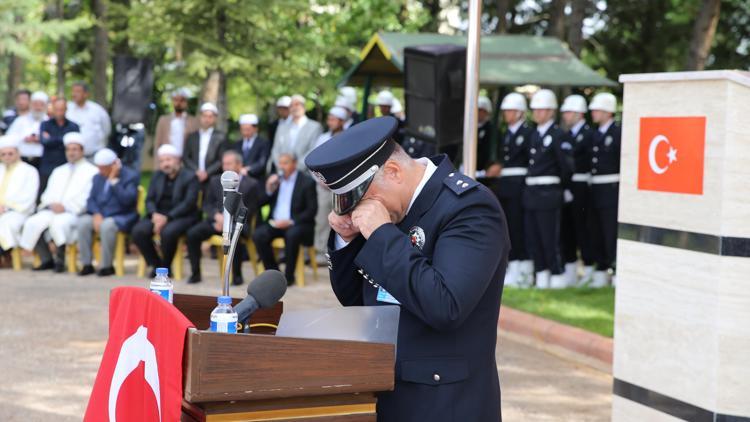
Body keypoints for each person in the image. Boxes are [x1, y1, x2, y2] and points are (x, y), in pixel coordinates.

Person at [306, 116, 508, 421]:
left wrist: (383, 234)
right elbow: (358, 301)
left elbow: (445, 304)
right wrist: (346, 241)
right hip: (384, 392)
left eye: (364, 198)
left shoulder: (469, 207)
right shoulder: (390, 209)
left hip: (443, 403)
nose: (361, 210)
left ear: (394, 171)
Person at [20, 132, 98, 272]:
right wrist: (50, 204)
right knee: (33, 222)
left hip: (73, 212)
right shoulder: (58, 171)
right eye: (68, 149)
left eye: (75, 149)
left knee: (60, 223)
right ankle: (47, 259)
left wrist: (66, 207)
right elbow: (48, 193)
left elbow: (88, 196)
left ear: (82, 151)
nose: (71, 153)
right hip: (52, 209)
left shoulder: (92, 171)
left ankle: (60, 261)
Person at [185, 150, 259, 285]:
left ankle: (237, 275)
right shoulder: (215, 181)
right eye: (224, 164)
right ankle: (195, 273)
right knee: (192, 234)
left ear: (239, 165)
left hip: (239, 223)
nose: (226, 167)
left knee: (232, 234)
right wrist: (216, 216)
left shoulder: (251, 184)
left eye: (229, 164)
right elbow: (207, 204)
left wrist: (228, 219)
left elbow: (251, 210)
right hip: (217, 221)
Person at [524, 89, 573, 289]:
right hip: (532, 193)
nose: (537, 113)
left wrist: (560, 188)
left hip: (549, 192)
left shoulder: (558, 134)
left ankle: (556, 274)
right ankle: (542, 275)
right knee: (534, 237)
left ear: (551, 111)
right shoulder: (534, 134)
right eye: (535, 109)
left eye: (542, 109)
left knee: (549, 238)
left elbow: (567, 167)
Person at [132, 144, 199, 277]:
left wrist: (167, 217)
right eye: (162, 161)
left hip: (181, 216)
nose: (165, 164)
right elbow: (149, 199)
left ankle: (166, 266)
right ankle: (158, 267)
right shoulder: (157, 176)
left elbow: (189, 203)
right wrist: (154, 215)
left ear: (177, 160)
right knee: (138, 231)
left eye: (168, 160)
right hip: (157, 215)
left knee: (168, 233)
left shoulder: (190, 177)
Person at [253, 152, 317, 286]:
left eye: (285, 163)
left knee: (292, 234)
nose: (281, 166)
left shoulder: (307, 182)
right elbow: (259, 203)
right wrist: (269, 189)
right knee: (258, 235)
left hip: (297, 223)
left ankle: (289, 276)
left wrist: (291, 221)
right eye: (279, 163)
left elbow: (312, 210)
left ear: (294, 164)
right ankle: (274, 274)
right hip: (275, 223)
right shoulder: (275, 180)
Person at [76, 148, 139, 277]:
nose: (100, 171)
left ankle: (106, 266)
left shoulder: (130, 176)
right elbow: (91, 200)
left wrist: (113, 181)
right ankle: (87, 264)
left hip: (121, 215)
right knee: (83, 223)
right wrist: (97, 214)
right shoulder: (97, 177)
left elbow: (128, 201)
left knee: (107, 225)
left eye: (103, 168)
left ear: (114, 165)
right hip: (100, 214)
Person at [494, 92, 535, 286]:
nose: (506, 114)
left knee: (520, 227)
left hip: (520, 186)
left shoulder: (528, 133)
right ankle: (514, 265)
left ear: (520, 113)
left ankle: (523, 270)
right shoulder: (507, 134)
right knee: (509, 227)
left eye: (510, 111)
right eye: (505, 111)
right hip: (507, 186)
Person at [559, 94, 597, 285]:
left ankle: (589, 268)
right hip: (568, 186)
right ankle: (571, 269)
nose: (566, 116)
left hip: (583, 186)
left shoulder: (589, 135)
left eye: (569, 112)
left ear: (579, 113)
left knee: (584, 229)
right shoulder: (566, 135)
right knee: (568, 229)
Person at [588, 92, 621, 287]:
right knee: (597, 232)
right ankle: (601, 270)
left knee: (610, 232)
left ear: (608, 112)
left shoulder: (617, 132)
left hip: (611, 188)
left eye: (597, 109)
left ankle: (615, 270)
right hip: (596, 189)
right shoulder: (596, 134)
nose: (593, 113)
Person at [311, 106, 347, 263]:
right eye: (329, 119)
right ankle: (320, 252)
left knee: (342, 218)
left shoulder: (348, 138)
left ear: (341, 121)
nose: (330, 122)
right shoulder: (322, 138)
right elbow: (312, 161)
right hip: (323, 187)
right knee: (322, 219)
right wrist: (320, 180)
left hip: (342, 187)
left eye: (333, 119)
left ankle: (340, 252)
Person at [0, 136, 40, 256]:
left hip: (18, 212)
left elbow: (29, 197)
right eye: (3, 154)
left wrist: (6, 208)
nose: (7, 157)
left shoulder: (29, 171)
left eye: (10, 153)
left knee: (7, 225)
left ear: (18, 153)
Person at [269, 95, 322, 173]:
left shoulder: (315, 127)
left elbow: (313, 150)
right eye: (291, 105)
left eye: (297, 104)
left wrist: (295, 168)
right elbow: (275, 150)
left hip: (304, 174)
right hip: (283, 173)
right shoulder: (282, 127)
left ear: (304, 107)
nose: (294, 108)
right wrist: (282, 167)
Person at [39, 98, 80, 193]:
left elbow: (75, 144)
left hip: (66, 164)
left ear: (66, 109)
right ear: (53, 109)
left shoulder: (73, 126)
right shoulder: (45, 124)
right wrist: (64, 139)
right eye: (56, 109)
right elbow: (45, 142)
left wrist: (51, 139)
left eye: (61, 109)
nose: (59, 112)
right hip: (47, 167)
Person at [183, 102, 226, 185]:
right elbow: (186, 157)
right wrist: (197, 171)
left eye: (210, 117)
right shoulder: (192, 136)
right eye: (204, 116)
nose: (207, 119)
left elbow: (221, 159)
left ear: (215, 118)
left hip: (213, 178)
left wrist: (207, 172)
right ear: (200, 117)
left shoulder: (221, 137)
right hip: (193, 176)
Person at [153, 88, 199, 164]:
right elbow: (158, 143)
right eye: (176, 100)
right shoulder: (163, 120)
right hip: (167, 160)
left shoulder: (193, 121)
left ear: (186, 102)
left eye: (182, 100)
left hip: (186, 162)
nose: (179, 103)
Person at [66, 81, 111, 157]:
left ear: (86, 94)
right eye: (73, 91)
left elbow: (106, 130)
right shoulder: (67, 109)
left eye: (77, 91)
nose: (74, 94)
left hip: (94, 155)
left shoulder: (97, 110)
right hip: (72, 157)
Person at [5, 91, 49, 167]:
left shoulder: (50, 122)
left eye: (41, 105)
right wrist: (24, 138)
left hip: (43, 162)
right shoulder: (20, 120)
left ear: (46, 106)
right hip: (21, 160)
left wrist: (41, 139)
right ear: (30, 105)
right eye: (35, 104)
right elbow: (9, 139)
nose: (38, 107)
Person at [230, 114, 270, 181]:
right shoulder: (237, 144)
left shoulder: (263, 143)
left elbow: (262, 162)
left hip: (256, 179)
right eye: (243, 129)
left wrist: (248, 169)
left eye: (247, 129)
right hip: (239, 181)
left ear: (255, 129)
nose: (245, 132)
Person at [476, 96, 497, 173]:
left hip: (486, 171)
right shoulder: (470, 128)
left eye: (481, 110)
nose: (478, 113)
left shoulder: (492, 129)